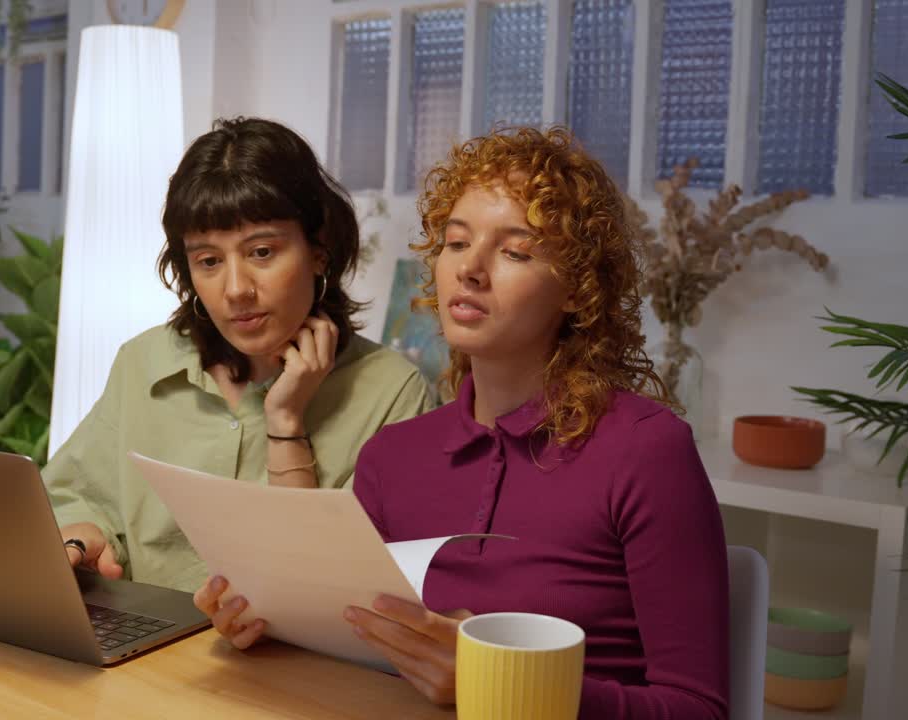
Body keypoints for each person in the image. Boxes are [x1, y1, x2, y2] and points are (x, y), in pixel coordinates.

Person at [202, 127, 729, 718]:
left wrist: (500, 678)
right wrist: (263, 623)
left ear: (580, 290)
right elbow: (350, 642)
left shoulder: (646, 450)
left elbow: (697, 707)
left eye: (515, 252)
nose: (470, 270)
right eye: (456, 243)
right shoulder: (392, 457)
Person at [43, 117, 434, 594]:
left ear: (319, 250)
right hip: (145, 659)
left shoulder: (392, 394)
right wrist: (85, 534)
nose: (236, 290)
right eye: (208, 261)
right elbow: (76, 495)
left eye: (262, 252)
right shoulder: (143, 362)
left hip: (299, 667)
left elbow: (335, 591)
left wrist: (286, 421)